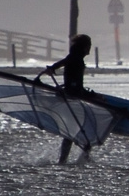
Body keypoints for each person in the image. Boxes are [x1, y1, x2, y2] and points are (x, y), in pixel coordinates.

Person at [41, 33, 99, 164]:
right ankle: (74, 159)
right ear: (85, 47)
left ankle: (69, 159)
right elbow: (75, 86)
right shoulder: (76, 59)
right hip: (73, 98)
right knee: (79, 129)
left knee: (74, 130)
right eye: (89, 46)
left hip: (72, 96)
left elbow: (65, 62)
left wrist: (53, 68)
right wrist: (91, 96)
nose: (90, 49)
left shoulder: (75, 57)